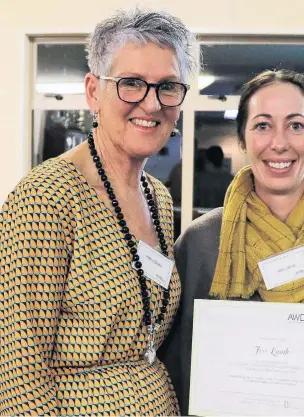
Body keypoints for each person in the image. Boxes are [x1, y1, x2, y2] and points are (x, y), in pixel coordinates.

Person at [161, 70, 304, 416]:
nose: (279, 143)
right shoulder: (200, 242)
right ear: (242, 139)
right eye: (262, 125)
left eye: (296, 125)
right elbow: (174, 360)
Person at [0, 8, 197, 416]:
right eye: (131, 84)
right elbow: (17, 370)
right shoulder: (47, 197)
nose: (151, 102)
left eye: (168, 87)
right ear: (93, 91)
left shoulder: (158, 198)